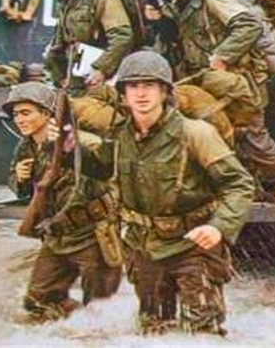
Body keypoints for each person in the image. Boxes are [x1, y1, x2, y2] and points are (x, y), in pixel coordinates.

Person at [82, 51, 254, 336]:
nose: (141, 93)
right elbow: (99, 168)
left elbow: (239, 184)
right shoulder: (119, 135)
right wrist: (64, 145)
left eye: (149, 85)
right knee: (154, 330)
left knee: (203, 334)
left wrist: (219, 227)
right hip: (144, 247)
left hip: (193, 245)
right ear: (123, 94)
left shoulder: (195, 133)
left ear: (164, 91)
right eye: (133, 86)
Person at [150, 0, 275, 205]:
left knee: (252, 136)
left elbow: (248, 25)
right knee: (223, 136)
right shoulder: (179, 4)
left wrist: (223, 55)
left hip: (238, 80)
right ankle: (247, 191)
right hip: (208, 82)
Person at [5, 82, 121, 321]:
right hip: (56, 235)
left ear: (46, 114)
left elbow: (104, 171)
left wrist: (67, 148)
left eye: (26, 113)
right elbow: (21, 191)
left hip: (93, 233)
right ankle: (69, 330)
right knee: (38, 302)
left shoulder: (77, 140)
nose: (19, 120)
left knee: (102, 309)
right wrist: (19, 178)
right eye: (16, 114)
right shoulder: (25, 146)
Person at [38, 0, 140, 87]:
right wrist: (59, 76)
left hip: (105, 78)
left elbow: (122, 36)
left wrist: (101, 70)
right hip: (78, 75)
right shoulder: (67, 3)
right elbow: (59, 44)